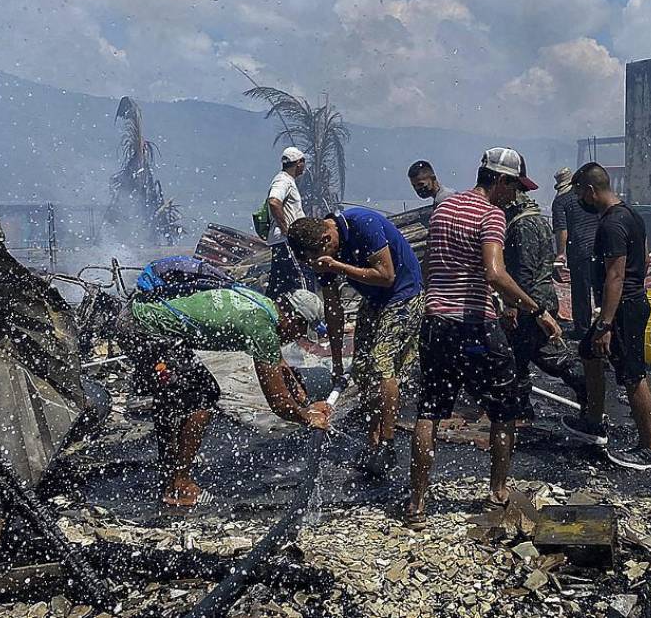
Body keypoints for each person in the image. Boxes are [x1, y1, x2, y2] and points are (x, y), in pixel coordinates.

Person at [405, 147, 562, 530]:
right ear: (501, 181)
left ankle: (417, 504)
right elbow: (494, 273)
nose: (516, 196)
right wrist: (535, 310)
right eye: (515, 187)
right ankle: (499, 490)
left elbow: (431, 264)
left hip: (437, 321)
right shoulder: (493, 215)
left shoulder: (443, 209)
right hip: (475, 322)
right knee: (505, 407)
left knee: (430, 410)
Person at [119, 283, 332, 506]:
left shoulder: (262, 305)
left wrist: (305, 402)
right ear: (293, 318)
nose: (296, 338)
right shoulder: (261, 328)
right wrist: (307, 418)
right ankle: (179, 486)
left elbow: (277, 362)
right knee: (203, 396)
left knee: (174, 400)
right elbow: (278, 403)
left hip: (136, 319)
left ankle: (170, 479)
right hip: (146, 330)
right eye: (299, 332)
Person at [286, 208, 424, 476]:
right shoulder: (322, 255)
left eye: (320, 258)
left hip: (403, 295)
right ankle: (373, 442)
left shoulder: (364, 225)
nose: (320, 263)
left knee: (380, 362)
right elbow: (334, 311)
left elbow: (386, 276)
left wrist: (338, 266)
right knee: (361, 369)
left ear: (327, 238)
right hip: (375, 301)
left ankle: (387, 443)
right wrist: (337, 362)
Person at [560, 162, 651, 470]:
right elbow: (643, 258)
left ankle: (650, 450)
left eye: (580, 193)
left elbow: (615, 277)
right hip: (626, 304)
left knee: (632, 374)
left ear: (591, 191)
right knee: (588, 352)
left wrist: (605, 324)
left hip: (624, 308)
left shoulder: (611, 224)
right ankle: (593, 422)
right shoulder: (630, 214)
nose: (580, 200)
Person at [501, 187, 586, 407]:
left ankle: (587, 388)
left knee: (544, 356)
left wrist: (512, 306)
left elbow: (524, 272)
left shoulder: (522, 227)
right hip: (540, 300)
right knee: (519, 358)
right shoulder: (537, 221)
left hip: (531, 304)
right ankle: (520, 408)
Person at [551, 166, 601, 338]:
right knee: (601, 287)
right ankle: (604, 327)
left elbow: (561, 230)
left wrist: (560, 253)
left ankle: (583, 329)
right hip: (599, 248)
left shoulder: (560, 202)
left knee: (581, 292)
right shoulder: (588, 196)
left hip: (579, 250)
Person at [265, 147, 308, 299]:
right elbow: (274, 201)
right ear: (298, 163)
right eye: (304, 162)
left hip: (282, 241)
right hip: (286, 241)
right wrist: (287, 231)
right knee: (301, 283)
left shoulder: (286, 180)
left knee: (278, 288)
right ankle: (308, 318)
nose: (304, 166)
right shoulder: (283, 181)